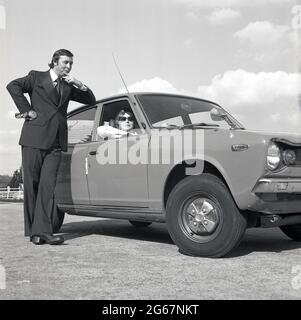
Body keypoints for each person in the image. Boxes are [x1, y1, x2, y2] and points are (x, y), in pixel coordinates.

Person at [6, 49, 96, 245]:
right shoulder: (36, 77)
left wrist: (78, 83)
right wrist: (26, 110)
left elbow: (91, 100)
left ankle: (43, 231)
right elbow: (12, 85)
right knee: (33, 185)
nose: (69, 66)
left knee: (48, 188)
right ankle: (34, 232)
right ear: (55, 62)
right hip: (34, 139)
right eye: (65, 62)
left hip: (56, 142)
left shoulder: (67, 85)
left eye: (71, 63)